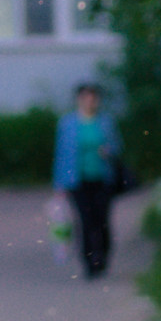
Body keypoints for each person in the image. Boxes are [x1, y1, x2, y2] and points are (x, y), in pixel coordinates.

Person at [52, 83, 123, 279]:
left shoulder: (106, 122)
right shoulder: (67, 123)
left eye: (93, 97)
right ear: (79, 99)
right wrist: (59, 184)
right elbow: (61, 155)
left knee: (102, 221)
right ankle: (89, 262)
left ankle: (103, 256)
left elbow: (118, 147)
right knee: (85, 222)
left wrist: (108, 152)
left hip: (102, 179)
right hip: (77, 181)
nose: (90, 101)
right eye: (86, 97)